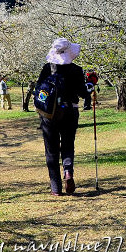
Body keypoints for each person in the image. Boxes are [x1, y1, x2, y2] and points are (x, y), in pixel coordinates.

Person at [36, 38, 91, 196]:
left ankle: (55, 188)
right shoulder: (76, 70)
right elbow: (82, 93)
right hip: (70, 111)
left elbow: (39, 90)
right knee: (68, 145)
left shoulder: (47, 68)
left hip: (49, 114)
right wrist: (89, 88)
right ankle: (68, 172)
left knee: (51, 149)